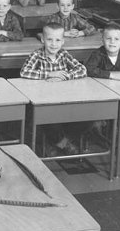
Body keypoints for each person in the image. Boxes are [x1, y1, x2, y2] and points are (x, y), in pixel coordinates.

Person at [20, 22, 88, 155]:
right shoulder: (37, 55)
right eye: (49, 40)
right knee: (49, 119)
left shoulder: (64, 55)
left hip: (64, 99)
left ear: (63, 42)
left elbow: (82, 69)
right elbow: (25, 72)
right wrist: (49, 74)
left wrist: (66, 76)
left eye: (57, 40)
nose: (53, 44)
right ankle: (61, 143)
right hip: (43, 102)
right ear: (42, 40)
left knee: (87, 118)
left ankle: (60, 141)